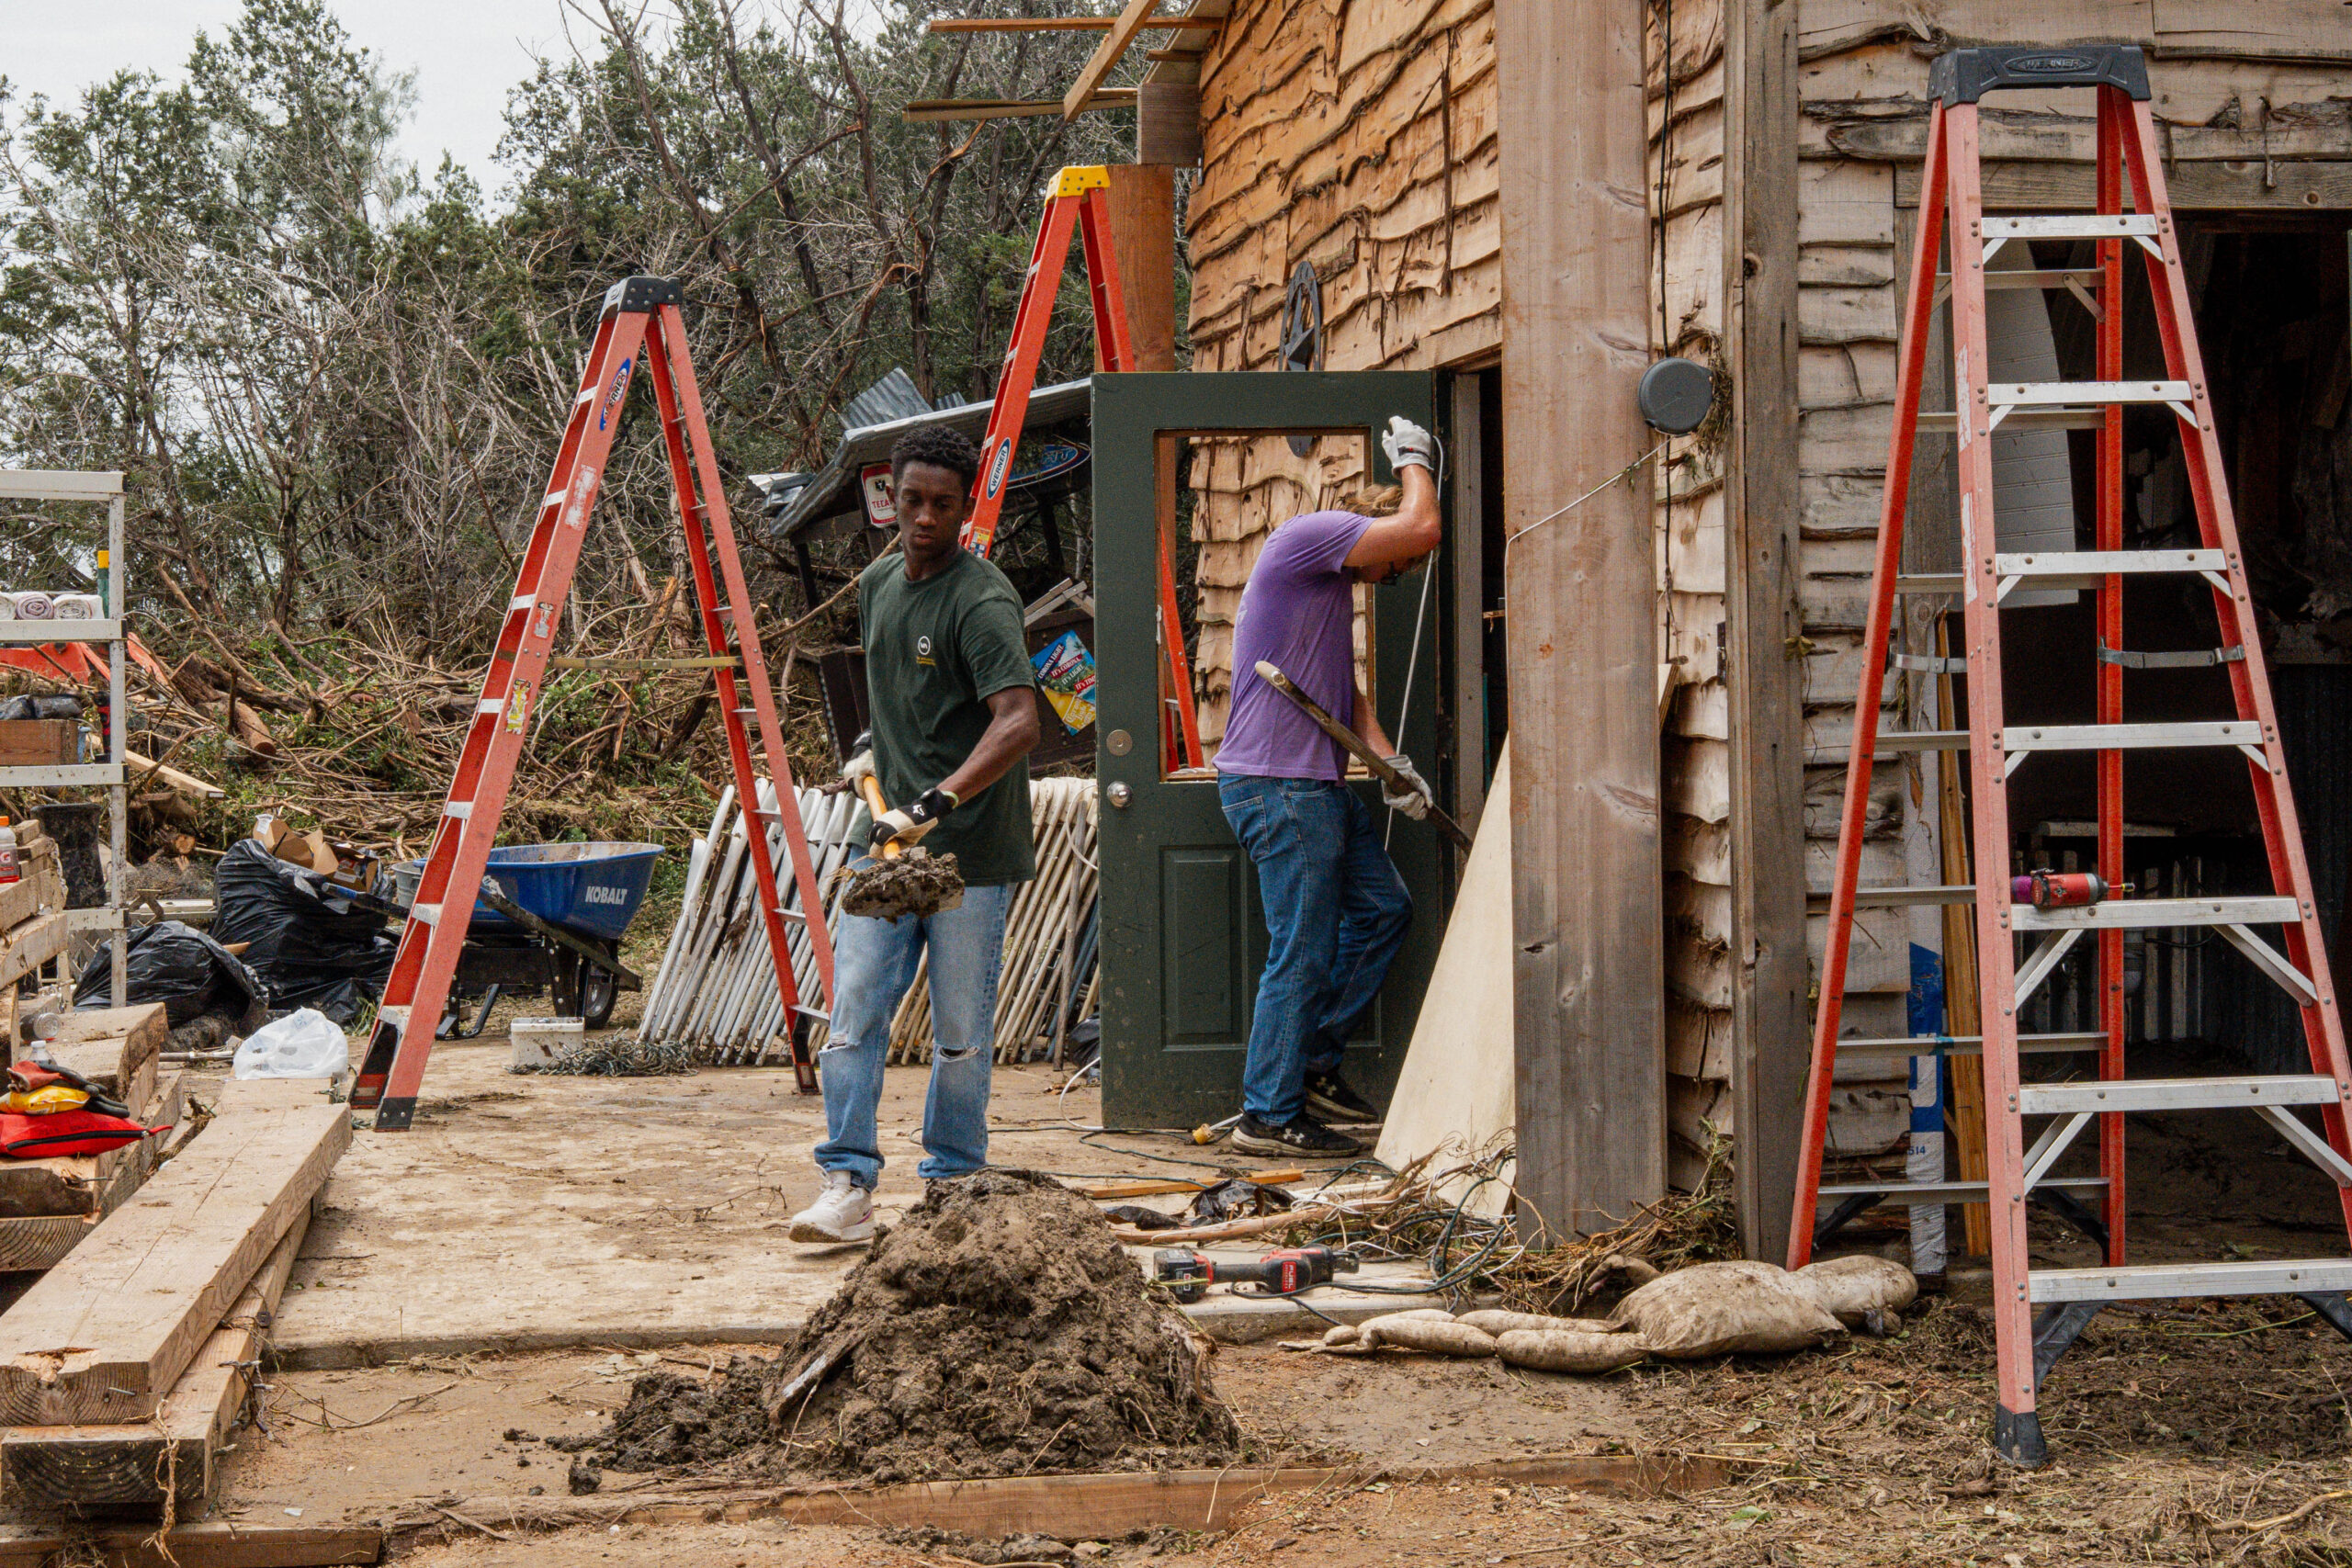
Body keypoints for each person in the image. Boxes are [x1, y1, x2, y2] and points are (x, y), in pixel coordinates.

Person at [788, 424, 1042, 1244]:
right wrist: (874, 746)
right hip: (886, 845)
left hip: (969, 853)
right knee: (854, 1013)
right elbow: (897, 690)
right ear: (888, 501)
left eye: (942, 504)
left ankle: (953, 1186)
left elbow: (1019, 721)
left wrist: (935, 799)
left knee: (960, 1034)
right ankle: (848, 1185)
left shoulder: (982, 600)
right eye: (911, 501)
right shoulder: (877, 584)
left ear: (964, 509)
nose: (925, 517)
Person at [1213, 416, 1442, 1157]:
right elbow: (1423, 526)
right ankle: (1266, 1114)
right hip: (1279, 787)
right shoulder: (1309, 538)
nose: (1396, 573)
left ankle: (1308, 1063)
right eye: (1396, 564)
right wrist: (1416, 460)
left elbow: (1342, 696)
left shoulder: (1326, 587)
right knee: (1302, 951)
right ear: (1373, 531)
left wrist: (1394, 768)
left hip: (1313, 785)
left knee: (1383, 910)